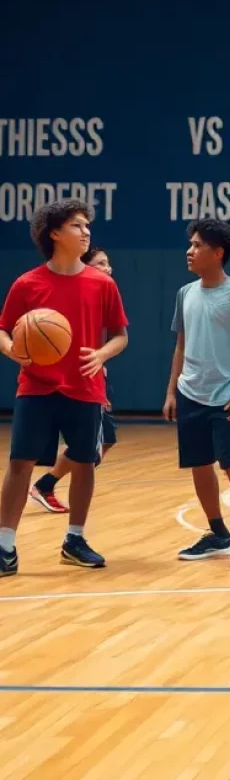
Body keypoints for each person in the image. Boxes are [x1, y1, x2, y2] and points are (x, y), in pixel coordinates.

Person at [0, 201, 128, 575]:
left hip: (85, 388)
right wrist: (13, 351)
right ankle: (5, 544)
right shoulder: (28, 283)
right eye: (77, 225)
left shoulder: (102, 283)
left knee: (86, 463)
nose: (86, 232)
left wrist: (102, 354)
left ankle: (75, 538)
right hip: (36, 387)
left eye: (87, 226)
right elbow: (4, 329)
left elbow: (120, 336)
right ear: (54, 233)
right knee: (20, 463)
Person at [162, 218, 230, 570]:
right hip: (190, 392)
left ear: (218, 252)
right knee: (198, 464)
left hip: (227, 395)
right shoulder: (185, 293)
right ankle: (218, 533)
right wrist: (172, 391)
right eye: (190, 244)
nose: (189, 251)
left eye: (197, 245)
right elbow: (180, 345)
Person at [29, 246, 119, 515]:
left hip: (95, 373)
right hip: (78, 380)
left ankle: (47, 483)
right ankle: (46, 484)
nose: (108, 268)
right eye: (101, 263)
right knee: (93, 446)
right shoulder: (71, 293)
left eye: (108, 263)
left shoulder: (102, 292)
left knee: (103, 441)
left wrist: (101, 359)